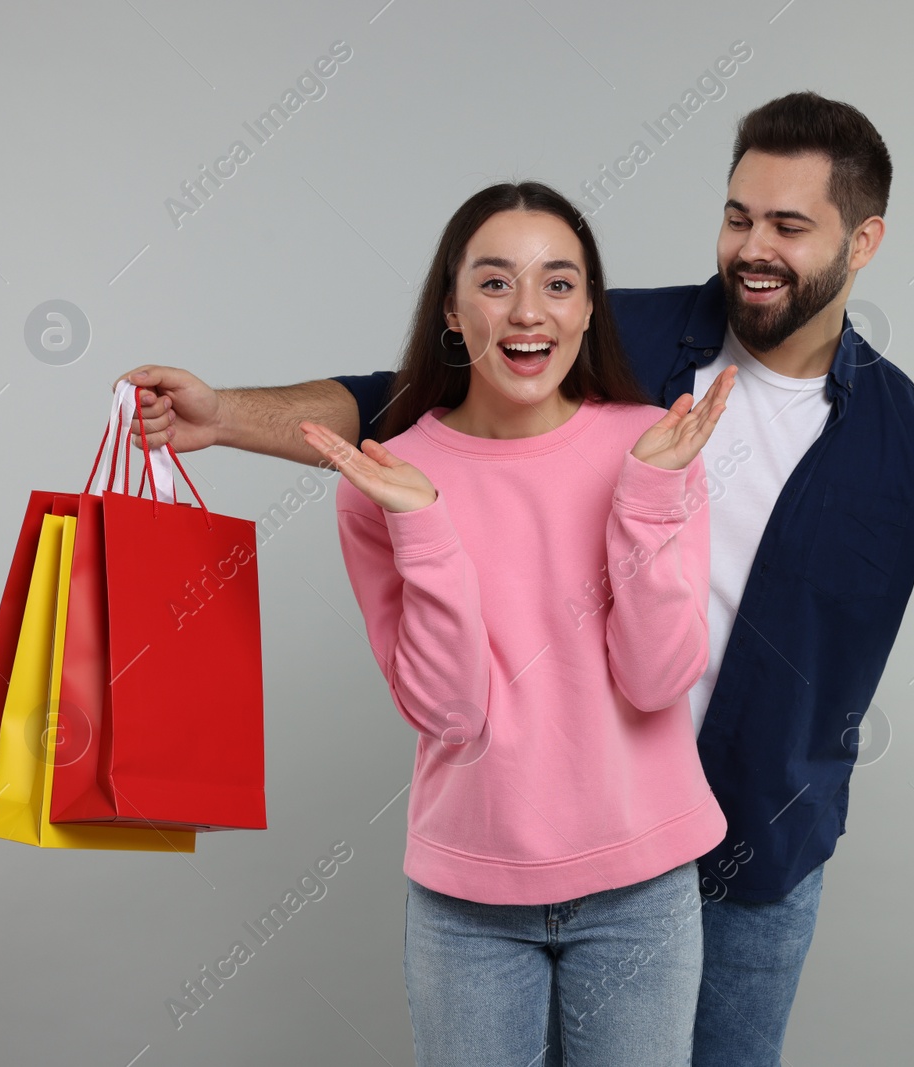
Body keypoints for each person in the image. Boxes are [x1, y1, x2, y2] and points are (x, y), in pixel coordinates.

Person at [118, 92, 914, 1065]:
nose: (753, 247)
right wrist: (229, 417)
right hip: (542, 824)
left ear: (864, 241)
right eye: (738, 216)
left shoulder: (908, 438)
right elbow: (402, 409)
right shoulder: (619, 331)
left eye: (789, 224)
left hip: (751, 850)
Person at [298, 179, 739, 1066]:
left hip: (642, 887)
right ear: (453, 312)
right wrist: (423, 524)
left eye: (560, 283)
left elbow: (658, 679)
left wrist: (648, 500)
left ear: (587, 312)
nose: (528, 310)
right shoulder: (389, 479)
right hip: (468, 901)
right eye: (495, 282)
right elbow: (453, 711)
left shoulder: (651, 445)